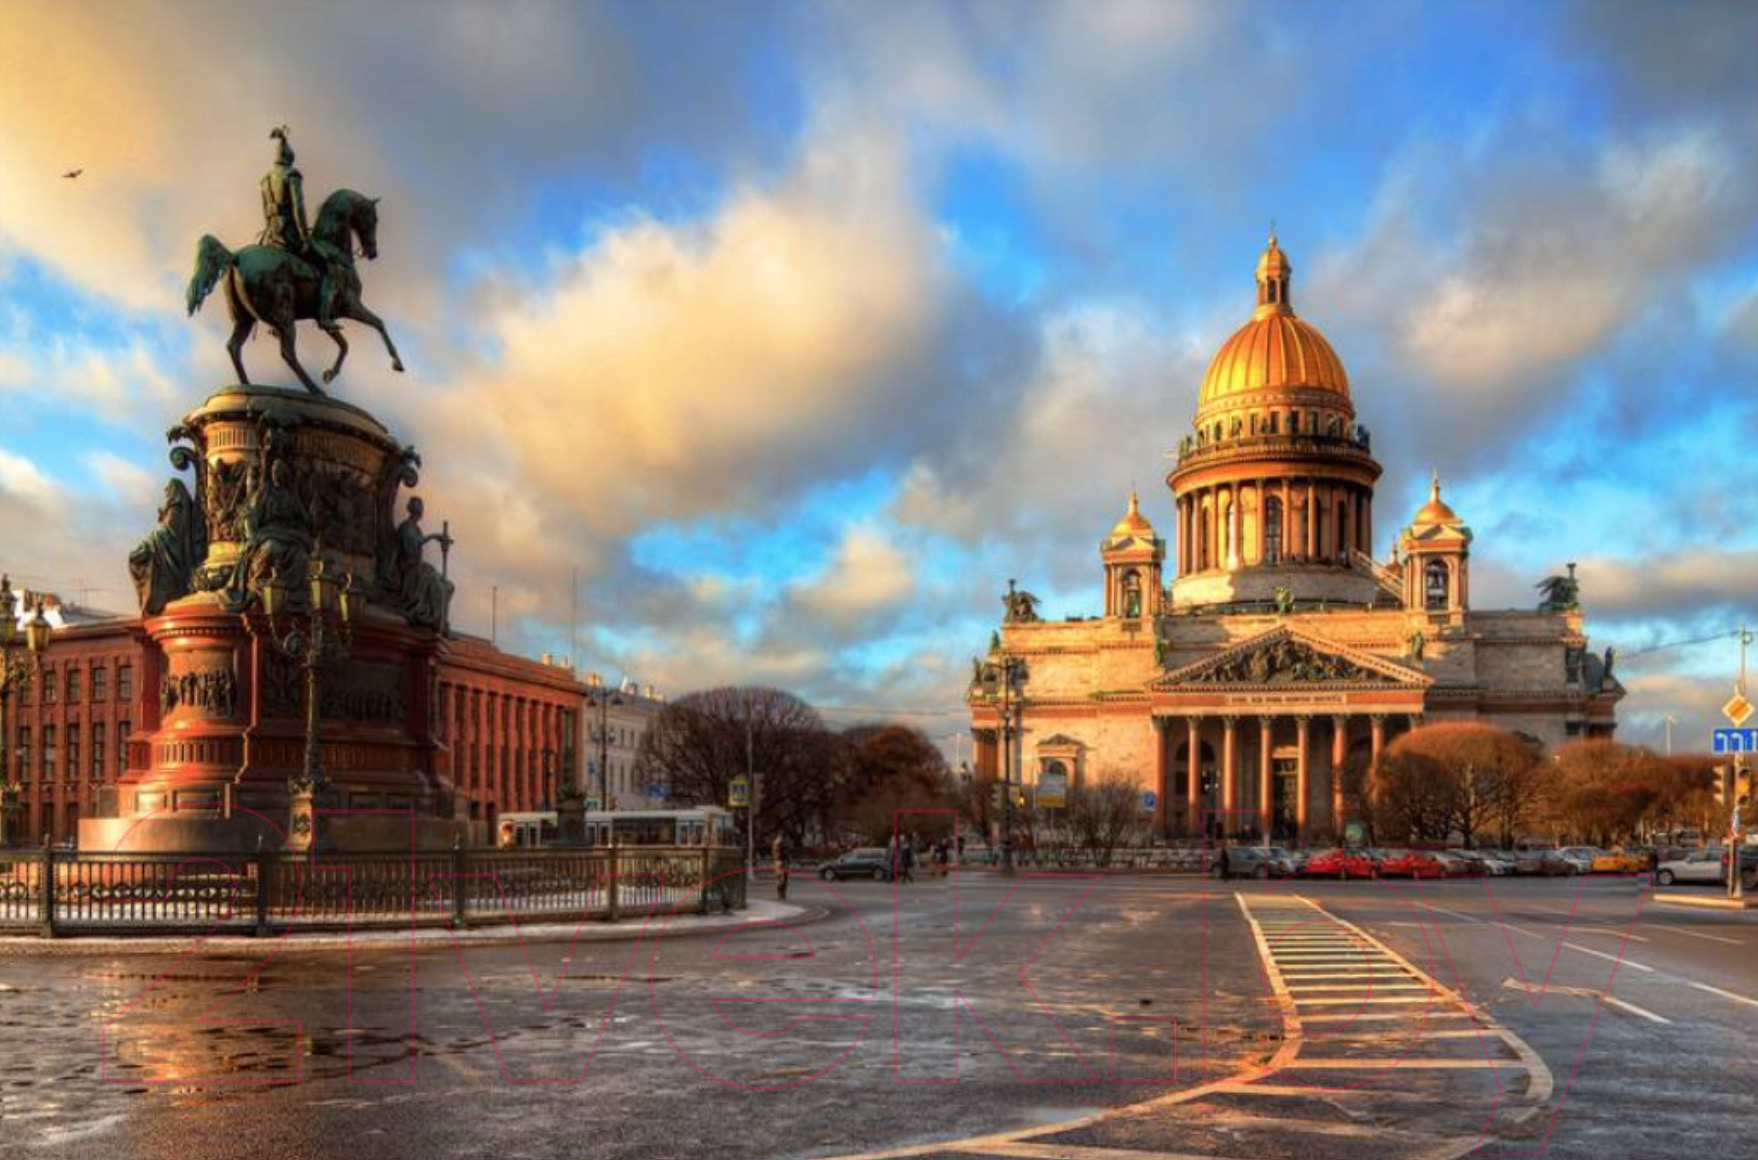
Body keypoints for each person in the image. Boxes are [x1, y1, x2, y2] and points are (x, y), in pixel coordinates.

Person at [261, 126, 347, 329]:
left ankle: (276, 320)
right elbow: (298, 207)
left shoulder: (264, 180)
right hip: (291, 235)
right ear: (289, 158)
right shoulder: (292, 176)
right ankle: (324, 316)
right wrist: (304, 237)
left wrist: (272, 233)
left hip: (272, 235)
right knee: (329, 267)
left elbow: (265, 210)